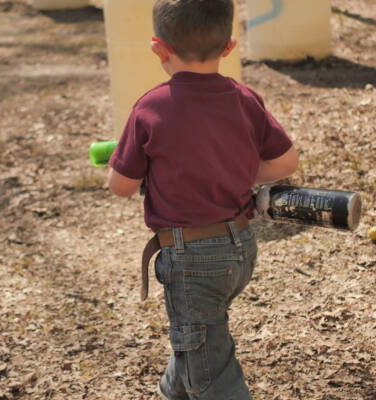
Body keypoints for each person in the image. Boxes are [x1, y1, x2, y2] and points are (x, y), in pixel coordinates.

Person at [108, 0, 299, 398]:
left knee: (211, 373)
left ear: (158, 49)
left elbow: (122, 185)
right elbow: (286, 162)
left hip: (191, 258)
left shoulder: (150, 107)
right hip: (240, 250)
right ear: (229, 47)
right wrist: (239, 171)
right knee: (197, 345)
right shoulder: (245, 98)